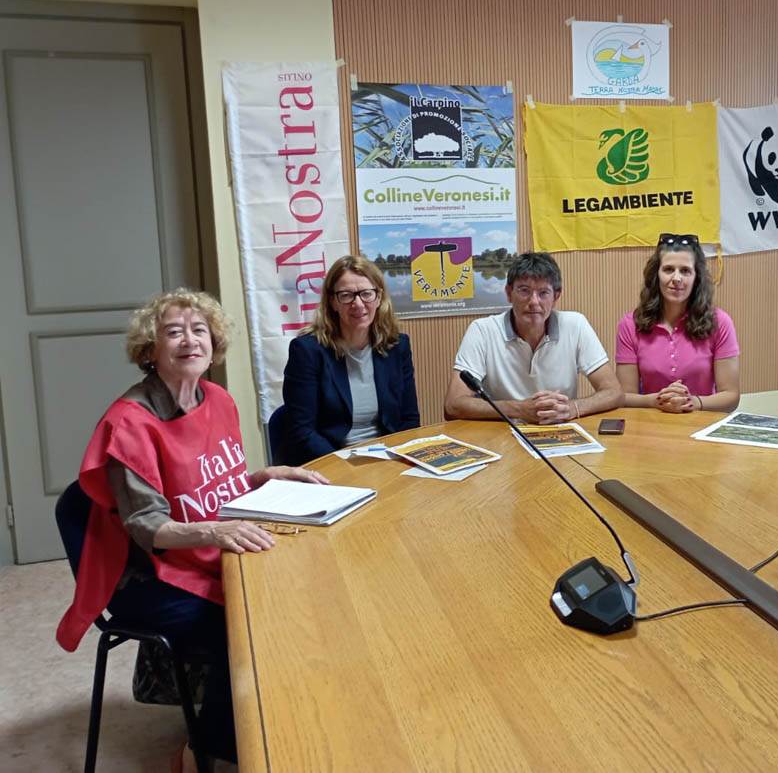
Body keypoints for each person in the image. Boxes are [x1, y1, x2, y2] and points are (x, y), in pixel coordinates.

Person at [56, 289, 327, 770]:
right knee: (247, 626)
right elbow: (149, 525)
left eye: (199, 329)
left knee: (301, 586)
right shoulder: (129, 423)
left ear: (214, 342)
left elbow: (209, 489)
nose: (189, 340)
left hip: (204, 548)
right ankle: (205, 749)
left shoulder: (218, 399)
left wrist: (263, 476)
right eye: (173, 331)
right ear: (150, 349)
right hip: (146, 575)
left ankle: (277, 719)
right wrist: (216, 534)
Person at [444, 252, 622, 423]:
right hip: (503, 434)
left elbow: (613, 391)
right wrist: (520, 409)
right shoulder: (482, 331)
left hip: (560, 431)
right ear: (508, 293)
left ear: (556, 296)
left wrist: (572, 408)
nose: (534, 302)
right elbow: (453, 405)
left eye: (543, 293)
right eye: (524, 290)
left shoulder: (575, 325)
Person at [280, 255, 420, 465]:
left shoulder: (397, 346)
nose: (358, 303)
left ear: (379, 297)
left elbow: (409, 419)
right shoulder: (308, 351)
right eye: (346, 295)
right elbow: (302, 431)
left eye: (366, 294)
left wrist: (396, 461)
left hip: (387, 460)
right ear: (333, 302)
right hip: (332, 462)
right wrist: (345, 467)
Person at [616, 233, 740, 413]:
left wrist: (692, 402)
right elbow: (624, 396)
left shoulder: (720, 322)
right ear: (656, 275)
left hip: (702, 425)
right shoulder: (629, 325)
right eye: (668, 269)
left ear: (696, 277)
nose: (677, 278)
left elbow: (731, 396)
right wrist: (658, 400)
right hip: (650, 425)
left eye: (685, 271)